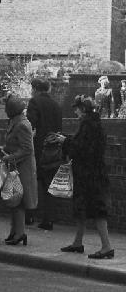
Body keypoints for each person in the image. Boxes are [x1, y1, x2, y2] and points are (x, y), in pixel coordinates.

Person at [54, 95, 114, 259]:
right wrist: (68, 140)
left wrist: (65, 142)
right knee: (82, 208)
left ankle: (107, 246)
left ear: (83, 109)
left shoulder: (87, 125)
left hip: (89, 174)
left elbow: (82, 149)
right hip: (93, 172)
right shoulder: (95, 124)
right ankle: (78, 243)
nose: (75, 111)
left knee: (96, 209)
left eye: (76, 108)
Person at [0, 95, 38, 246]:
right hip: (15, 166)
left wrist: (9, 157)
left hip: (22, 168)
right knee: (12, 200)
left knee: (18, 201)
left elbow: (27, 150)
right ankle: (14, 231)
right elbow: (14, 144)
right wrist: (3, 149)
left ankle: (20, 233)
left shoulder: (22, 125)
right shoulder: (16, 122)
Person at [26, 78, 63, 230]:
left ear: (35, 89)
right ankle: (48, 220)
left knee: (31, 182)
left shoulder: (34, 102)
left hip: (39, 148)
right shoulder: (56, 105)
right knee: (49, 185)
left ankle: (29, 216)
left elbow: (30, 124)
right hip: (54, 149)